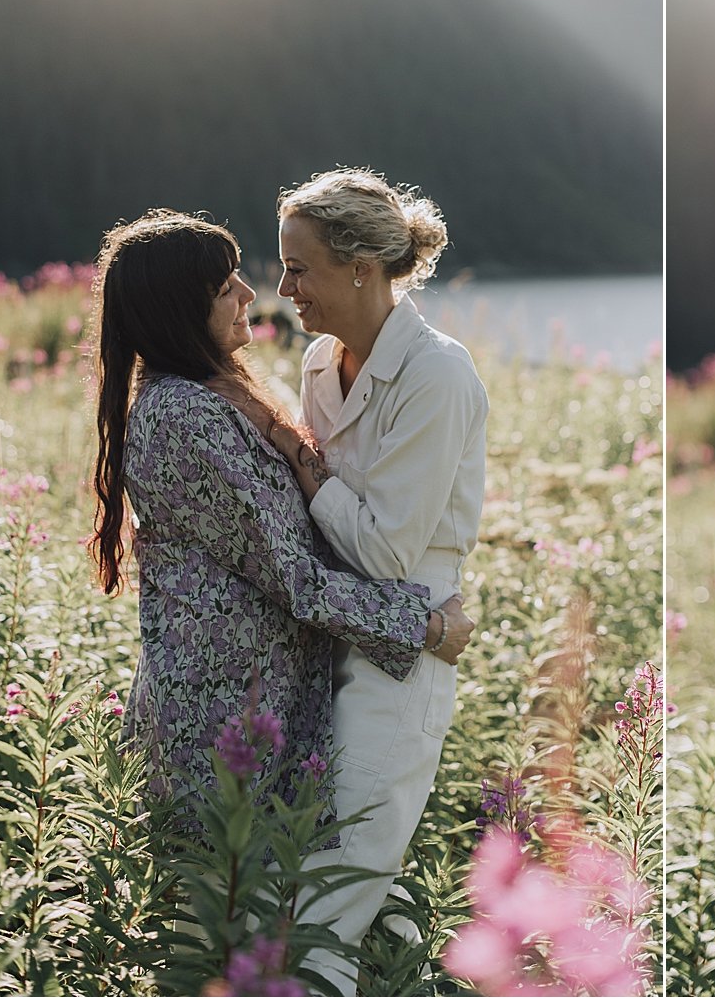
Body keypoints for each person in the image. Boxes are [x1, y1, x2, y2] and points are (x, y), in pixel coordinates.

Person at [88, 208, 473, 838]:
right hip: (222, 720)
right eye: (224, 288)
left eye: (242, 275)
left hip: (249, 704)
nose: (251, 294)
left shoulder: (214, 394)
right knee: (233, 919)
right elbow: (297, 578)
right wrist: (427, 625)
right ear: (181, 312)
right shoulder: (186, 416)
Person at [215, 168, 488, 994]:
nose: (284, 287)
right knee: (317, 882)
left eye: (300, 268)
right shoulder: (319, 359)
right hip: (323, 641)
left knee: (331, 902)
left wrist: (302, 465)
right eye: (283, 267)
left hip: (400, 656)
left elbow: (388, 552)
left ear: (362, 267)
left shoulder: (437, 375)